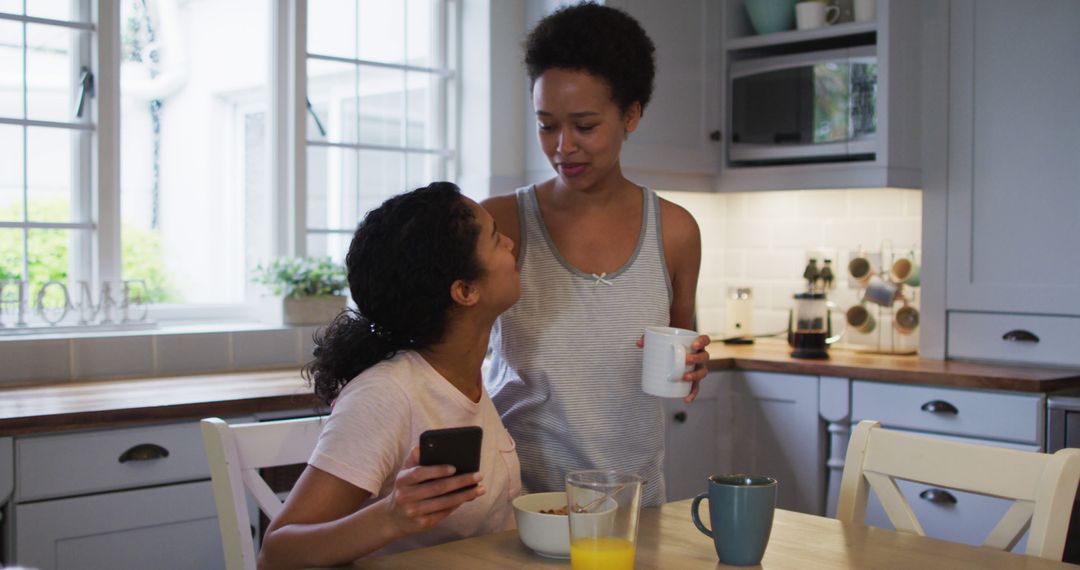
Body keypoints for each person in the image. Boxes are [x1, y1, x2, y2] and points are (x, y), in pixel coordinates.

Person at [482, 2, 711, 507]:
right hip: (517, 506)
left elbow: (678, 347)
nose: (563, 147)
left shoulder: (675, 231)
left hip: (633, 507)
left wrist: (692, 364)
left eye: (584, 126)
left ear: (631, 114)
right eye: (547, 125)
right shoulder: (501, 225)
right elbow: (451, 354)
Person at [259, 182, 522, 570]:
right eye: (497, 238)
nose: (512, 245)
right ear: (464, 290)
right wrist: (391, 516)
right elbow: (276, 555)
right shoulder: (385, 394)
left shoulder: (468, 380)